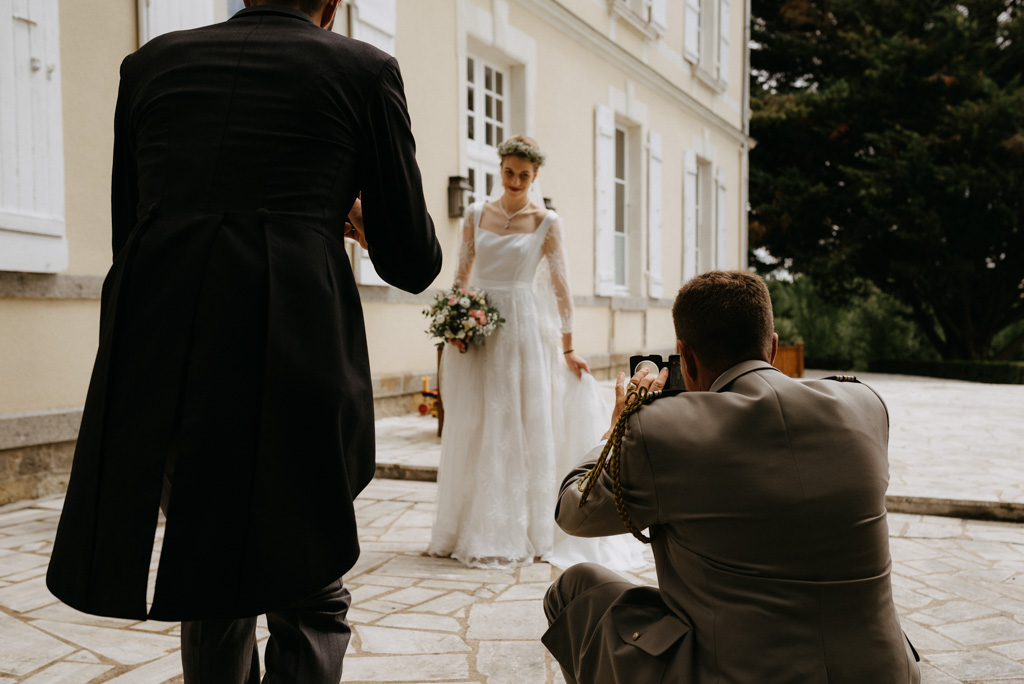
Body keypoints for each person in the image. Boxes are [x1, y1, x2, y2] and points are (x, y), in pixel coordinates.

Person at [45, 1, 442, 682]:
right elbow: (413, 262)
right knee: (307, 582)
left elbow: (129, 230)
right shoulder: (365, 69)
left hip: (168, 347)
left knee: (207, 568)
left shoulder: (149, 64)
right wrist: (350, 217)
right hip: (298, 344)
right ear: (332, 5)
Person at [542, 271, 921, 683]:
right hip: (883, 672)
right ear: (772, 347)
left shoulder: (663, 430)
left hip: (738, 674)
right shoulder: (865, 405)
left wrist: (619, 430)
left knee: (573, 586)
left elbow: (572, 513)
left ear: (684, 357)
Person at [427, 135, 643, 570]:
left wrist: (569, 347)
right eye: (509, 172)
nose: (515, 180)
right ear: (500, 169)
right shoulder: (474, 214)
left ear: (535, 176)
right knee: (477, 421)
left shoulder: (548, 222)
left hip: (524, 328)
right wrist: (455, 320)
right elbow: (461, 274)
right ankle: (466, 526)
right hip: (481, 328)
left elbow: (562, 288)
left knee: (519, 422)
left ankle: (528, 528)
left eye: (524, 175)